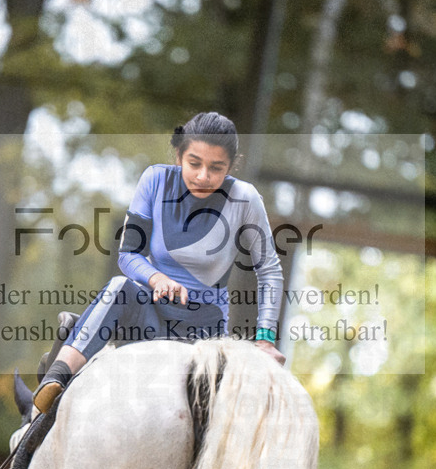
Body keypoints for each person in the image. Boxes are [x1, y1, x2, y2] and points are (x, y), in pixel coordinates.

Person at [34, 111, 285, 412]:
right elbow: (128, 254)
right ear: (179, 155)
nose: (203, 176)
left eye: (216, 168)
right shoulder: (155, 180)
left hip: (202, 335)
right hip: (148, 317)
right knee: (119, 286)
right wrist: (156, 278)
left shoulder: (246, 199)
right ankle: (57, 377)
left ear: (232, 165)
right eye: (194, 163)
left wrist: (266, 339)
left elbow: (269, 271)